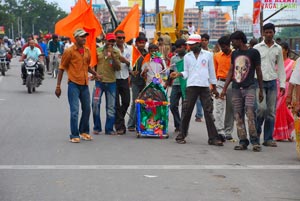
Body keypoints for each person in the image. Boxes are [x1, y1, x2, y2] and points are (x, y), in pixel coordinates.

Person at [170, 34, 223, 146]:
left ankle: (213, 137)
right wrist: (178, 74)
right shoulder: (187, 57)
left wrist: (214, 87)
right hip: (191, 85)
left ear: (198, 44)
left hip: (204, 86)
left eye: (192, 44)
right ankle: (182, 135)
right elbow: (186, 72)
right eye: (189, 44)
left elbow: (211, 71)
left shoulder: (208, 55)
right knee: (186, 110)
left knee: (208, 112)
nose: (190, 46)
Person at [55, 28, 102, 143]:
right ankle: (74, 134)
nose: (84, 38)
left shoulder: (87, 51)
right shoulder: (69, 51)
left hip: (85, 84)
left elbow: (87, 66)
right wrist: (58, 86)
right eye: (81, 36)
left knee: (87, 109)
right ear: (75, 38)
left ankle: (84, 131)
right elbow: (61, 68)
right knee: (75, 111)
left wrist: (96, 74)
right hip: (73, 84)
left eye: (85, 36)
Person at [220, 31, 264, 152]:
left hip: (250, 87)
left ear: (240, 40)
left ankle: (255, 141)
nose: (232, 43)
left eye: (233, 41)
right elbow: (231, 71)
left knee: (250, 114)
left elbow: (259, 71)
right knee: (238, 116)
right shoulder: (235, 54)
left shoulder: (254, 53)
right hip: (236, 88)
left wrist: (260, 89)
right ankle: (243, 141)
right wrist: (224, 88)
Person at [254, 23, 286, 147]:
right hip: (258, 82)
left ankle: (268, 138)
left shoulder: (278, 48)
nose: (268, 34)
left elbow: (281, 67)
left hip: (272, 82)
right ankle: (256, 133)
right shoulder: (257, 48)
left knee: (271, 111)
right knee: (261, 109)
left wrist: (282, 84)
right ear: (263, 33)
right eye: (266, 32)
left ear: (274, 33)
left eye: (270, 32)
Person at [92, 33, 121, 135]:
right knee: (95, 104)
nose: (111, 43)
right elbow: (93, 64)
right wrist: (94, 74)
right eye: (109, 41)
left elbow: (118, 68)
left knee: (111, 106)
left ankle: (109, 128)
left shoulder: (117, 52)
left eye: (113, 41)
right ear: (105, 41)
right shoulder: (98, 51)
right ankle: (97, 127)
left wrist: (112, 55)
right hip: (99, 83)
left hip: (111, 83)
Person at [213, 35, 234, 141]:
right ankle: (219, 131)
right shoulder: (216, 56)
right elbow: (214, 71)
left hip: (232, 84)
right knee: (218, 108)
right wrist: (212, 86)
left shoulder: (235, 55)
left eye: (225, 46)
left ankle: (228, 131)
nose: (223, 48)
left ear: (229, 45)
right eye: (221, 46)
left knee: (230, 109)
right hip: (220, 83)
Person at [273, 42, 295, 141]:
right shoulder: (275, 63)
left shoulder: (292, 63)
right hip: (276, 88)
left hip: (286, 87)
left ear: (286, 50)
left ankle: (286, 132)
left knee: (283, 110)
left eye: (281, 49)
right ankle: (282, 133)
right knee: (278, 111)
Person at [127, 36, 148, 131]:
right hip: (135, 81)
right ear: (137, 43)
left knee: (144, 103)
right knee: (135, 102)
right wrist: (131, 72)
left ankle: (141, 124)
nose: (142, 44)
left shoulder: (147, 54)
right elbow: (129, 66)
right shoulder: (132, 53)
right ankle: (131, 124)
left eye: (143, 43)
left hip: (145, 82)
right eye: (140, 42)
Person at [114, 30, 132, 135]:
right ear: (115, 38)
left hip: (125, 77)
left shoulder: (129, 49)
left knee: (126, 101)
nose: (121, 40)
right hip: (114, 78)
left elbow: (130, 63)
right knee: (116, 104)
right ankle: (120, 125)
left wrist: (127, 62)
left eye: (123, 38)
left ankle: (118, 120)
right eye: (119, 38)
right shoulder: (112, 49)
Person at [169, 39, 187, 133]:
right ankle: (178, 124)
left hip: (186, 84)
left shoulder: (189, 57)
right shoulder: (173, 58)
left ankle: (183, 127)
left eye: (182, 47)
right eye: (178, 47)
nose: (180, 49)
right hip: (175, 84)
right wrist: (167, 83)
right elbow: (171, 72)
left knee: (185, 107)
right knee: (172, 105)